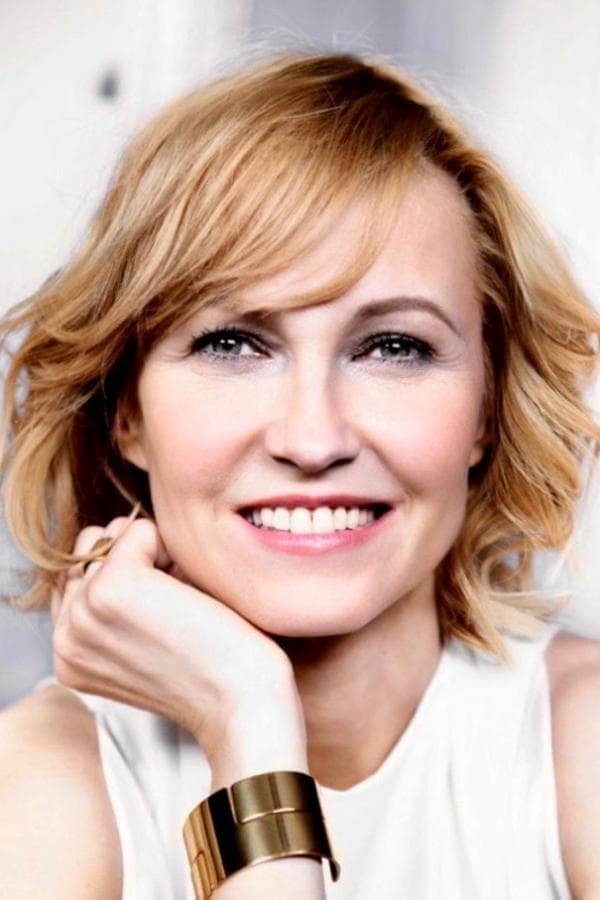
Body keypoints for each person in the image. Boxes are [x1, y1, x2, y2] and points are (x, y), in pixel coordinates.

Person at [0, 51, 599, 900]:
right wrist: (246, 717)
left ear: (487, 410)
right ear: (126, 409)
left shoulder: (580, 742)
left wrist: (246, 730)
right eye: (232, 343)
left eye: (394, 347)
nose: (313, 439)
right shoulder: (36, 791)